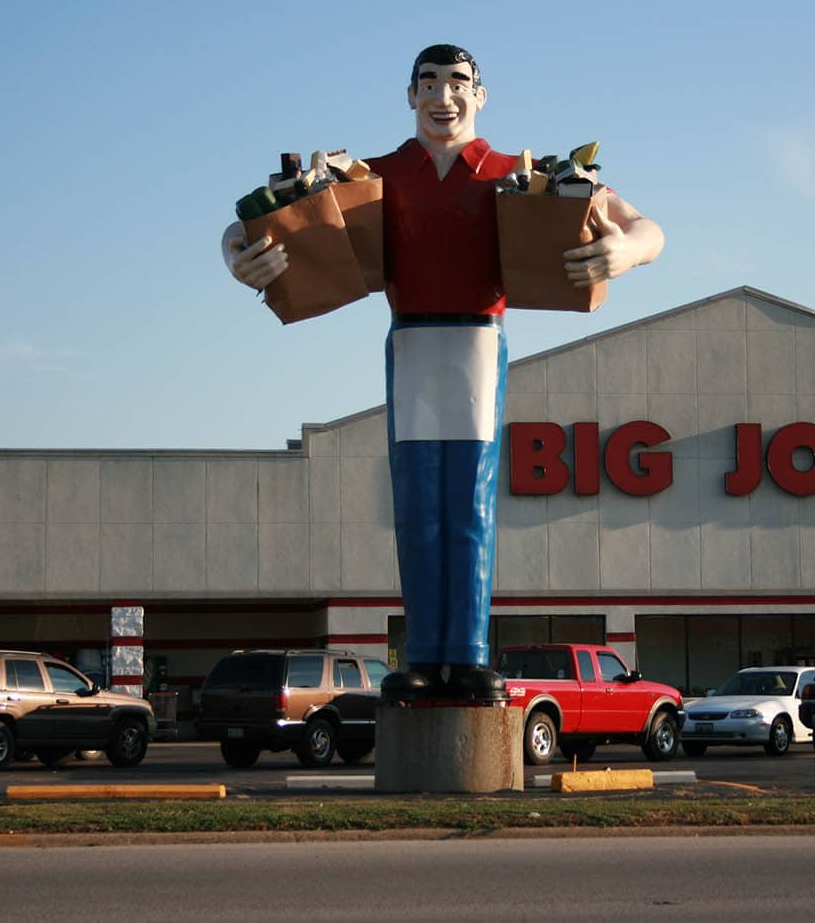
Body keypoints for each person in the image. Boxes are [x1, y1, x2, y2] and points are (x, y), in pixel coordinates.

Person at [220, 44, 664, 702]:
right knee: (418, 506)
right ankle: (424, 656)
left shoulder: (521, 175)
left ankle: (469, 656)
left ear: (480, 96)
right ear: (410, 96)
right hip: (412, 346)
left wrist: (623, 250)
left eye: (457, 83)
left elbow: (644, 228)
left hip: (479, 345)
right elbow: (252, 223)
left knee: (471, 506)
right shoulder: (373, 173)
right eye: (428, 83)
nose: (442, 96)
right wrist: (238, 256)